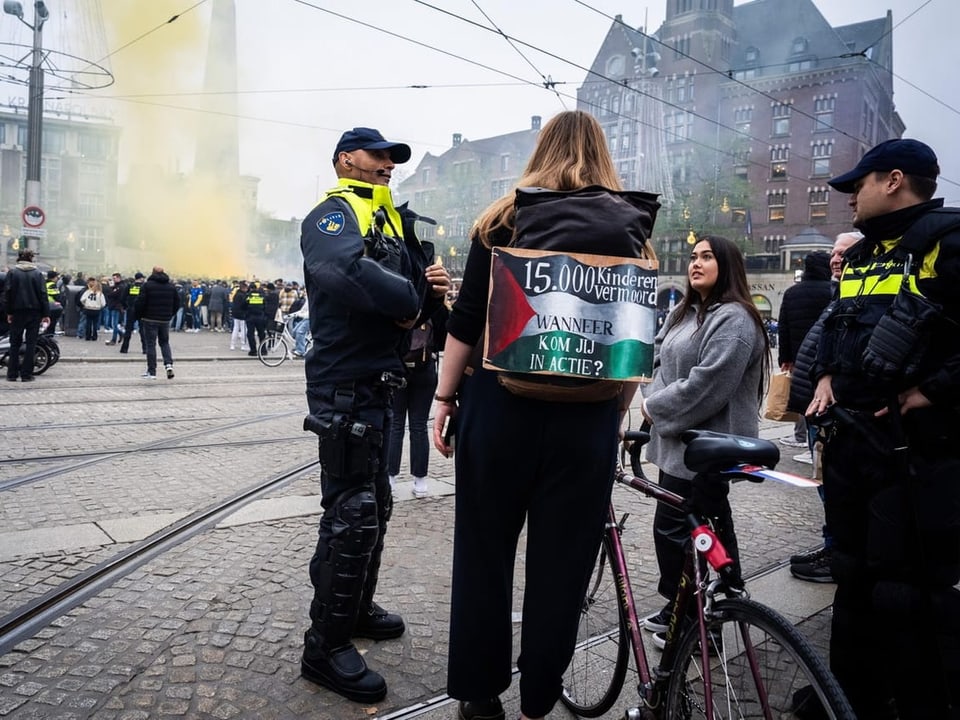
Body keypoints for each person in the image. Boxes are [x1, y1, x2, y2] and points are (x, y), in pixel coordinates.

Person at [430, 110, 658, 720]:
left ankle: (481, 697)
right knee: (562, 565)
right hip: (585, 422)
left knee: (484, 552)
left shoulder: (503, 218)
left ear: (542, 149)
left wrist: (445, 398)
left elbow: (466, 319)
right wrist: (611, 417)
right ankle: (539, 699)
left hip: (499, 408)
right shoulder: (634, 231)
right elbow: (632, 348)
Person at [800, 138, 960, 719]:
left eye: (857, 186)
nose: (848, 199)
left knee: (906, 590)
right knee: (852, 575)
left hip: (916, 455)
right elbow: (841, 329)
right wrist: (825, 378)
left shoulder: (948, 241)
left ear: (893, 180)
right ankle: (846, 697)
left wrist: (930, 391)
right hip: (853, 448)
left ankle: (917, 701)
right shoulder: (863, 254)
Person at [298, 126, 450, 703]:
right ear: (346, 160)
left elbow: (417, 304)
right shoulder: (333, 214)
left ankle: (354, 610)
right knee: (353, 511)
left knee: (373, 504)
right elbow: (345, 273)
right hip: (344, 383)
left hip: (382, 380)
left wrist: (433, 289)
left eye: (393, 158)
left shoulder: (391, 221)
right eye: (378, 155)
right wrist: (413, 300)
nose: (388, 164)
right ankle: (325, 647)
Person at [639, 235, 770, 647]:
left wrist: (654, 408)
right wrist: (656, 401)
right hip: (677, 443)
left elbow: (709, 384)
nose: (695, 263)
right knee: (703, 524)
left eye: (707, 257)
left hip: (707, 448)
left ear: (726, 264)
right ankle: (703, 600)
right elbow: (656, 358)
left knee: (678, 529)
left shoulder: (734, 319)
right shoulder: (684, 312)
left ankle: (698, 621)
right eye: (693, 256)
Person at [786, 231, 862, 584]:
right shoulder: (837, 293)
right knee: (823, 482)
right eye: (833, 252)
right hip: (819, 408)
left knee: (833, 484)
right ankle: (833, 545)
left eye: (844, 252)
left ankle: (838, 551)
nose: (836, 258)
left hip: (834, 411)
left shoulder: (856, 295)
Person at [776, 252, 832, 464]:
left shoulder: (792, 293)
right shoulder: (832, 290)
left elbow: (784, 327)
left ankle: (807, 442)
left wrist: (786, 357)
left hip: (800, 356)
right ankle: (820, 446)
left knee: (804, 399)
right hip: (825, 357)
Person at [388, 301, 448, 498]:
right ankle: (421, 482)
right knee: (419, 426)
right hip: (426, 368)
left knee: (396, 423)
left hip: (399, 367)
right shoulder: (437, 305)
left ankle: (390, 479)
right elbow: (443, 340)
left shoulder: (398, 298)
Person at [3, 249, 49, 382]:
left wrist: (9, 312)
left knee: (14, 343)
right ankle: (26, 374)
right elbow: (43, 294)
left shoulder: (12, 272)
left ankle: (11, 374)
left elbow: (7, 294)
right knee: (31, 343)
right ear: (32, 259)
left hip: (17, 312)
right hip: (34, 312)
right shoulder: (37, 273)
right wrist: (45, 314)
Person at [135, 266, 179, 380]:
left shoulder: (147, 285)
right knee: (164, 343)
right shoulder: (171, 286)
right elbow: (177, 303)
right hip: (164, 320)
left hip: (149, 319)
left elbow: (140, 302)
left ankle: (152, 371)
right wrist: (170, 314)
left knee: (151, 344)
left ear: (152, 273)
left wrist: (139, 315)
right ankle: (169, 365)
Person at [119, 272, 145, 354]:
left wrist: (126, 306)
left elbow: (122, 298)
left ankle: (124, 348)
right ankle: (145, 349)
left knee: (128, 330)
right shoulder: (144, 287)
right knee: (142, 330)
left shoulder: (129, 286)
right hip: (141, 311)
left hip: (131, 310)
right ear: (141, 278)